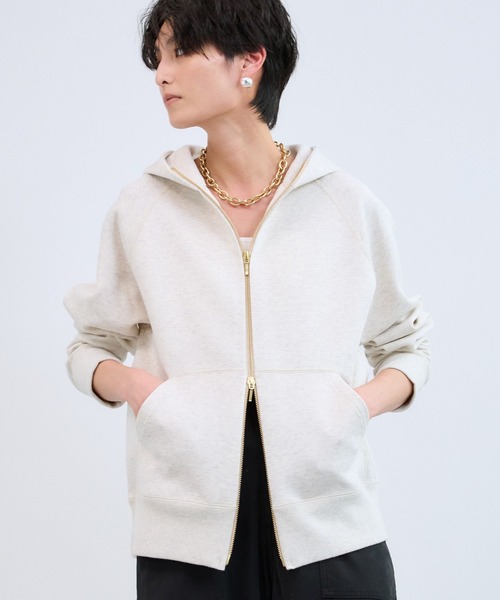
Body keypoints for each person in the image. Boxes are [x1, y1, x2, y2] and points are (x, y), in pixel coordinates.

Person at [64, 0, 431, 598]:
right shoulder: (144, 208)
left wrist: (351, 408)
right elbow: (90, 346)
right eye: (157, 58)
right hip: (187, 539)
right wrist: (140, 390)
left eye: (181, 52)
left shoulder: (344, 204)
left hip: (331, 530)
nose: (161, 74)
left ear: (250, 62)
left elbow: (407, 347)